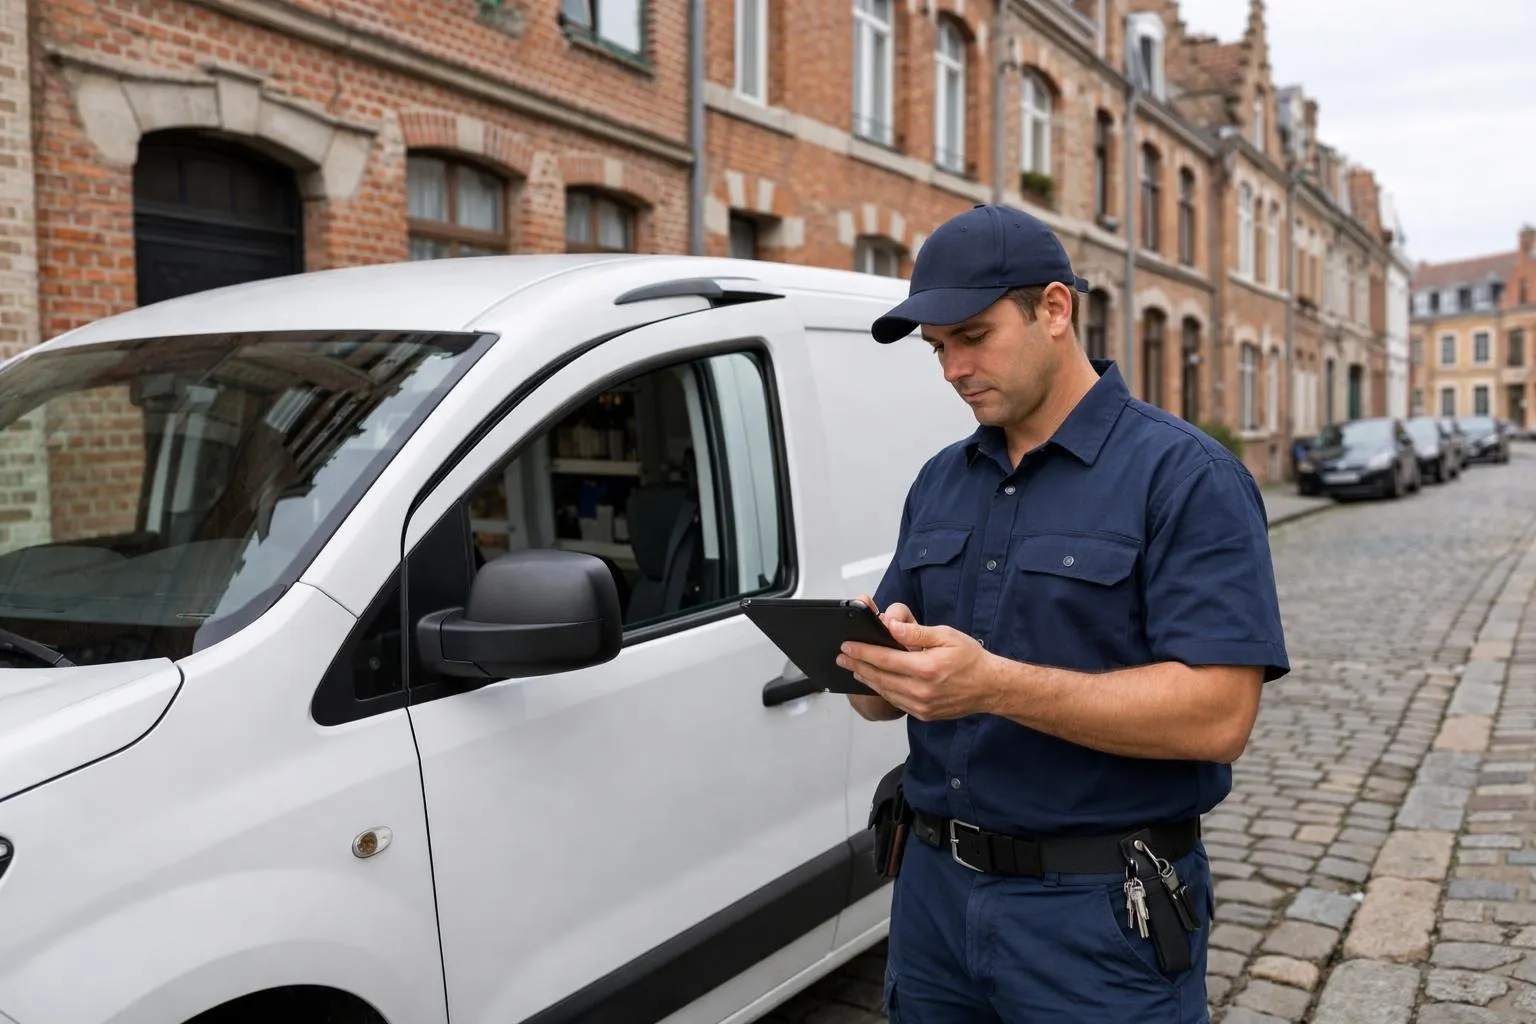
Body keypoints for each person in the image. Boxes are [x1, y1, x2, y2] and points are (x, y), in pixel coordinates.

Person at [837, 203, 1288, 1023]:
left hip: (1099, 916)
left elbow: (1220, 715)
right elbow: (883, 704)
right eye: (938, 350)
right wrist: (875, 666)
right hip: (933, 897)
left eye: (972, 336)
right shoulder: (942, 479)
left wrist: (993, 684)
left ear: (1053, 308)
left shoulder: (1187, 477)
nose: (952, 370)